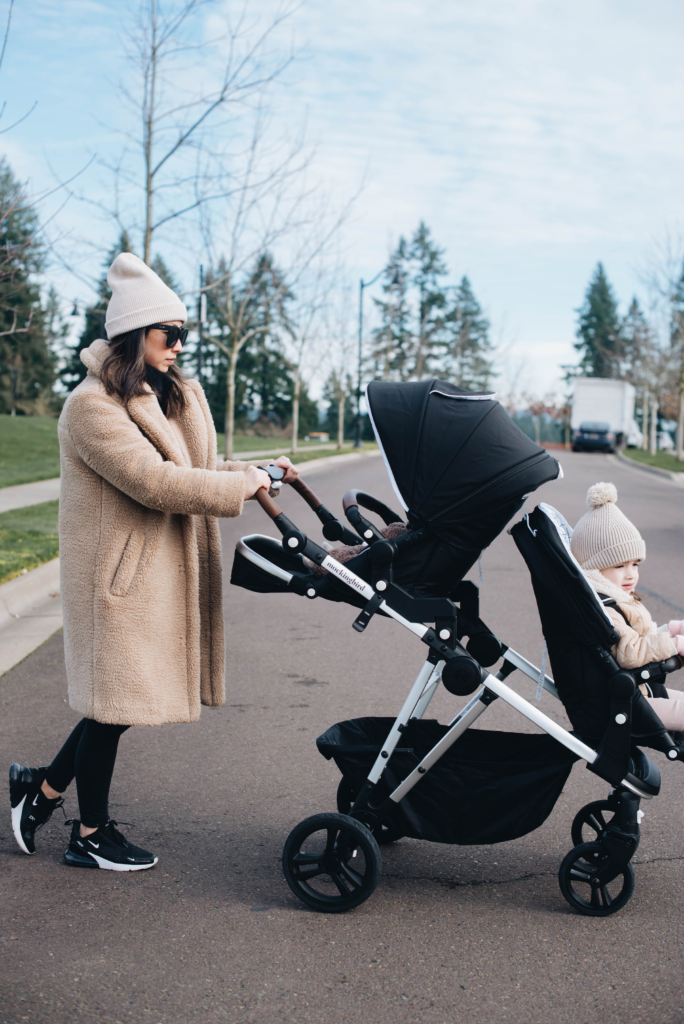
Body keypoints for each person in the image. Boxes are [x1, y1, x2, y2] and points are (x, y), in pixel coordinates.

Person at [9, 253, 298, 871]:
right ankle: (89, 835)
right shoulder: (91, 408)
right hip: (115, 578)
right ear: (137, 332)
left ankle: (41, 790)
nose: (178, 349)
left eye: (183, 337)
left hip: (150, 574)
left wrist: (259, 471)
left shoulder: (159, 397)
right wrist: (241, 485)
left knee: (112, 706)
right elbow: (155, 483)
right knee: (113, 707)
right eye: (170, 336)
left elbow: (191, 473)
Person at [570, 481, 684, 732]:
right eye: (619, 567)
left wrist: (671, 630)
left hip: (639, 691)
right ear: (594, 569)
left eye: (636, 564)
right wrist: (674, 644)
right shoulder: (606, 608)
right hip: (626, 701)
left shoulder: (615, 598)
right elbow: (630, 652)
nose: (630, 574)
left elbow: (640, 640)